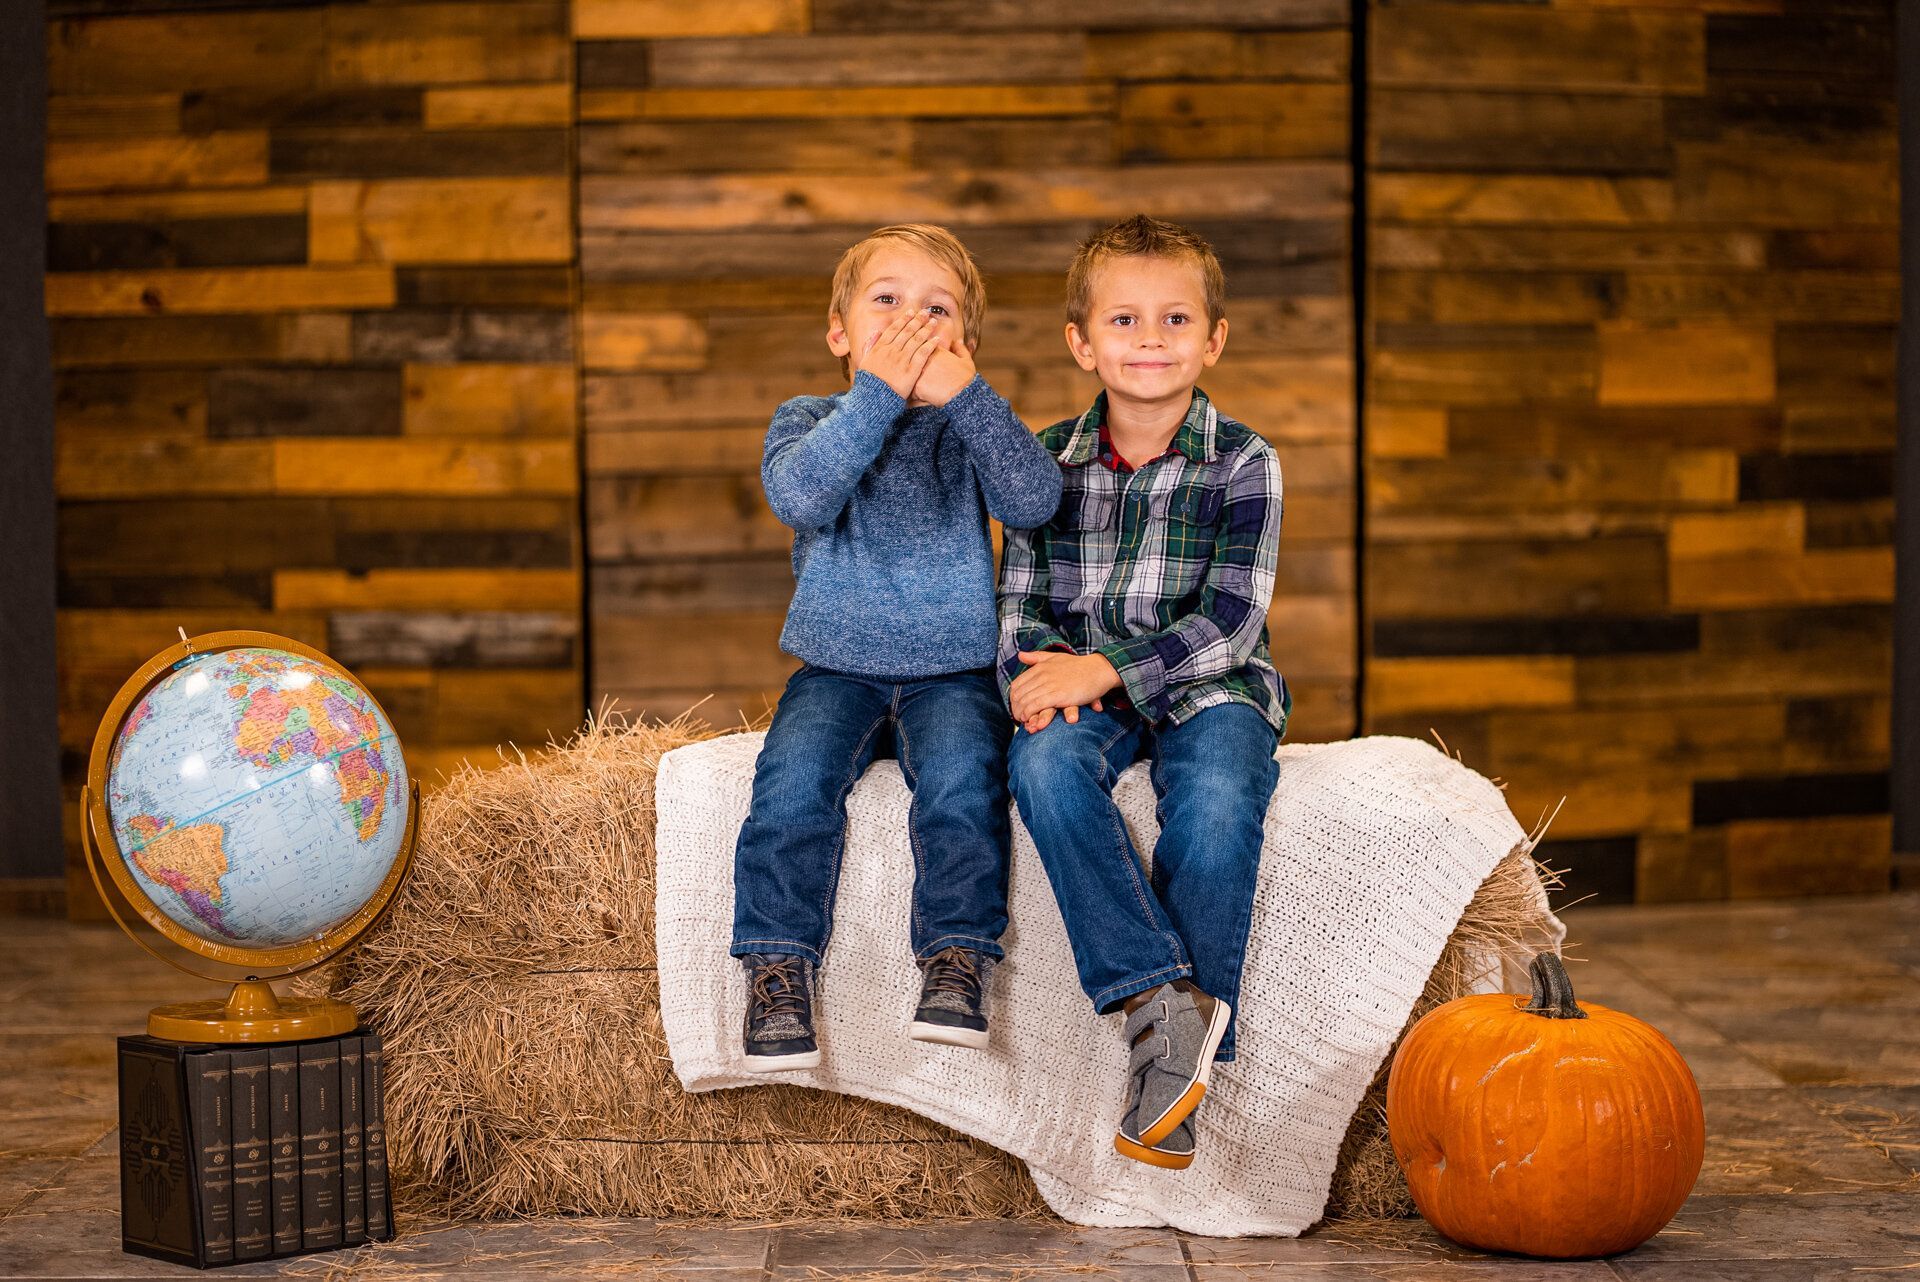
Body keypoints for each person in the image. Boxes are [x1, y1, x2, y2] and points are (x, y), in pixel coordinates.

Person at [731, 224, 1063, 1072]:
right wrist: (876, 393)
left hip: (951, 671)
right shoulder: (809, 419)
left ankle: (957, 962)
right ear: (840, 333)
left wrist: (968, 395)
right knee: (791, 785)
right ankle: (777, 967)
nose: (911, 319)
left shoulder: (965, 429)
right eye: (887, 301)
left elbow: (1033, 498)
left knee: (962, 787)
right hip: (835, 669)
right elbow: (802, 496)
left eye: (937, 309)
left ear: (964, 342)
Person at [997, 214, 1289, 1169]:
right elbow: (1017, 605)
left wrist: (1110, 668)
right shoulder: (1043, 459)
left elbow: (1233, 621)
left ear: (1214, 339)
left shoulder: (1246, 460)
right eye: (1124, 321)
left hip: (1213, 686)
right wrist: (1041, 676)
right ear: (1082, 342)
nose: (1151, 339)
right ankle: (1163, 1003)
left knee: (1212, 808)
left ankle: (1173, 1079)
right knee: (1042, 770)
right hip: (1084, 687)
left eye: (1175, 319)